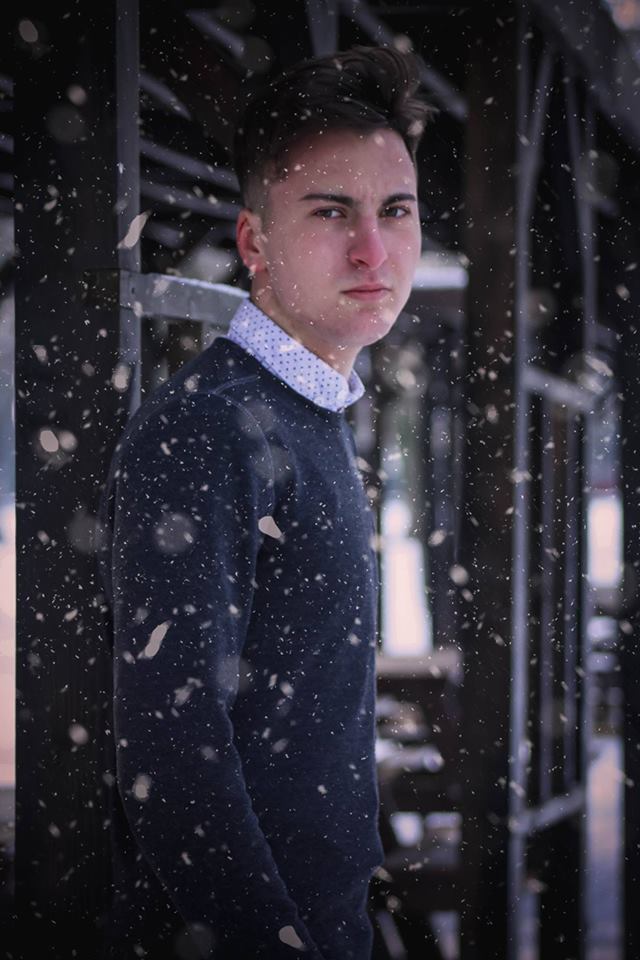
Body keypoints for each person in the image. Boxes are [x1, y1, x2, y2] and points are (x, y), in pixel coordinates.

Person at [97, 44, 431, 960]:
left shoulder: (304, 415)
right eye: (331, 212)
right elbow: (173, 755)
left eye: (395, 210)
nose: (373, 250)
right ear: (254, 243)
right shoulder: (213, 426)